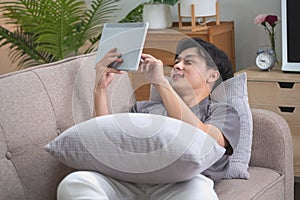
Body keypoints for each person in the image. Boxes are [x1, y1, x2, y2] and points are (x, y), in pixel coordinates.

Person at [57, 37, 240, 200]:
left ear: (212, 74)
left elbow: (205, 140)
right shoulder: (144, 108)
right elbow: (106, 138)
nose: (177, 65)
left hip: (183, 184)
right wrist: (100, 88)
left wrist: (160, 82)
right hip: (129, 180)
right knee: (75, 183)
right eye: (177, 61)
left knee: (201, 195)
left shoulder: (222, 113)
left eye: (188, 62)